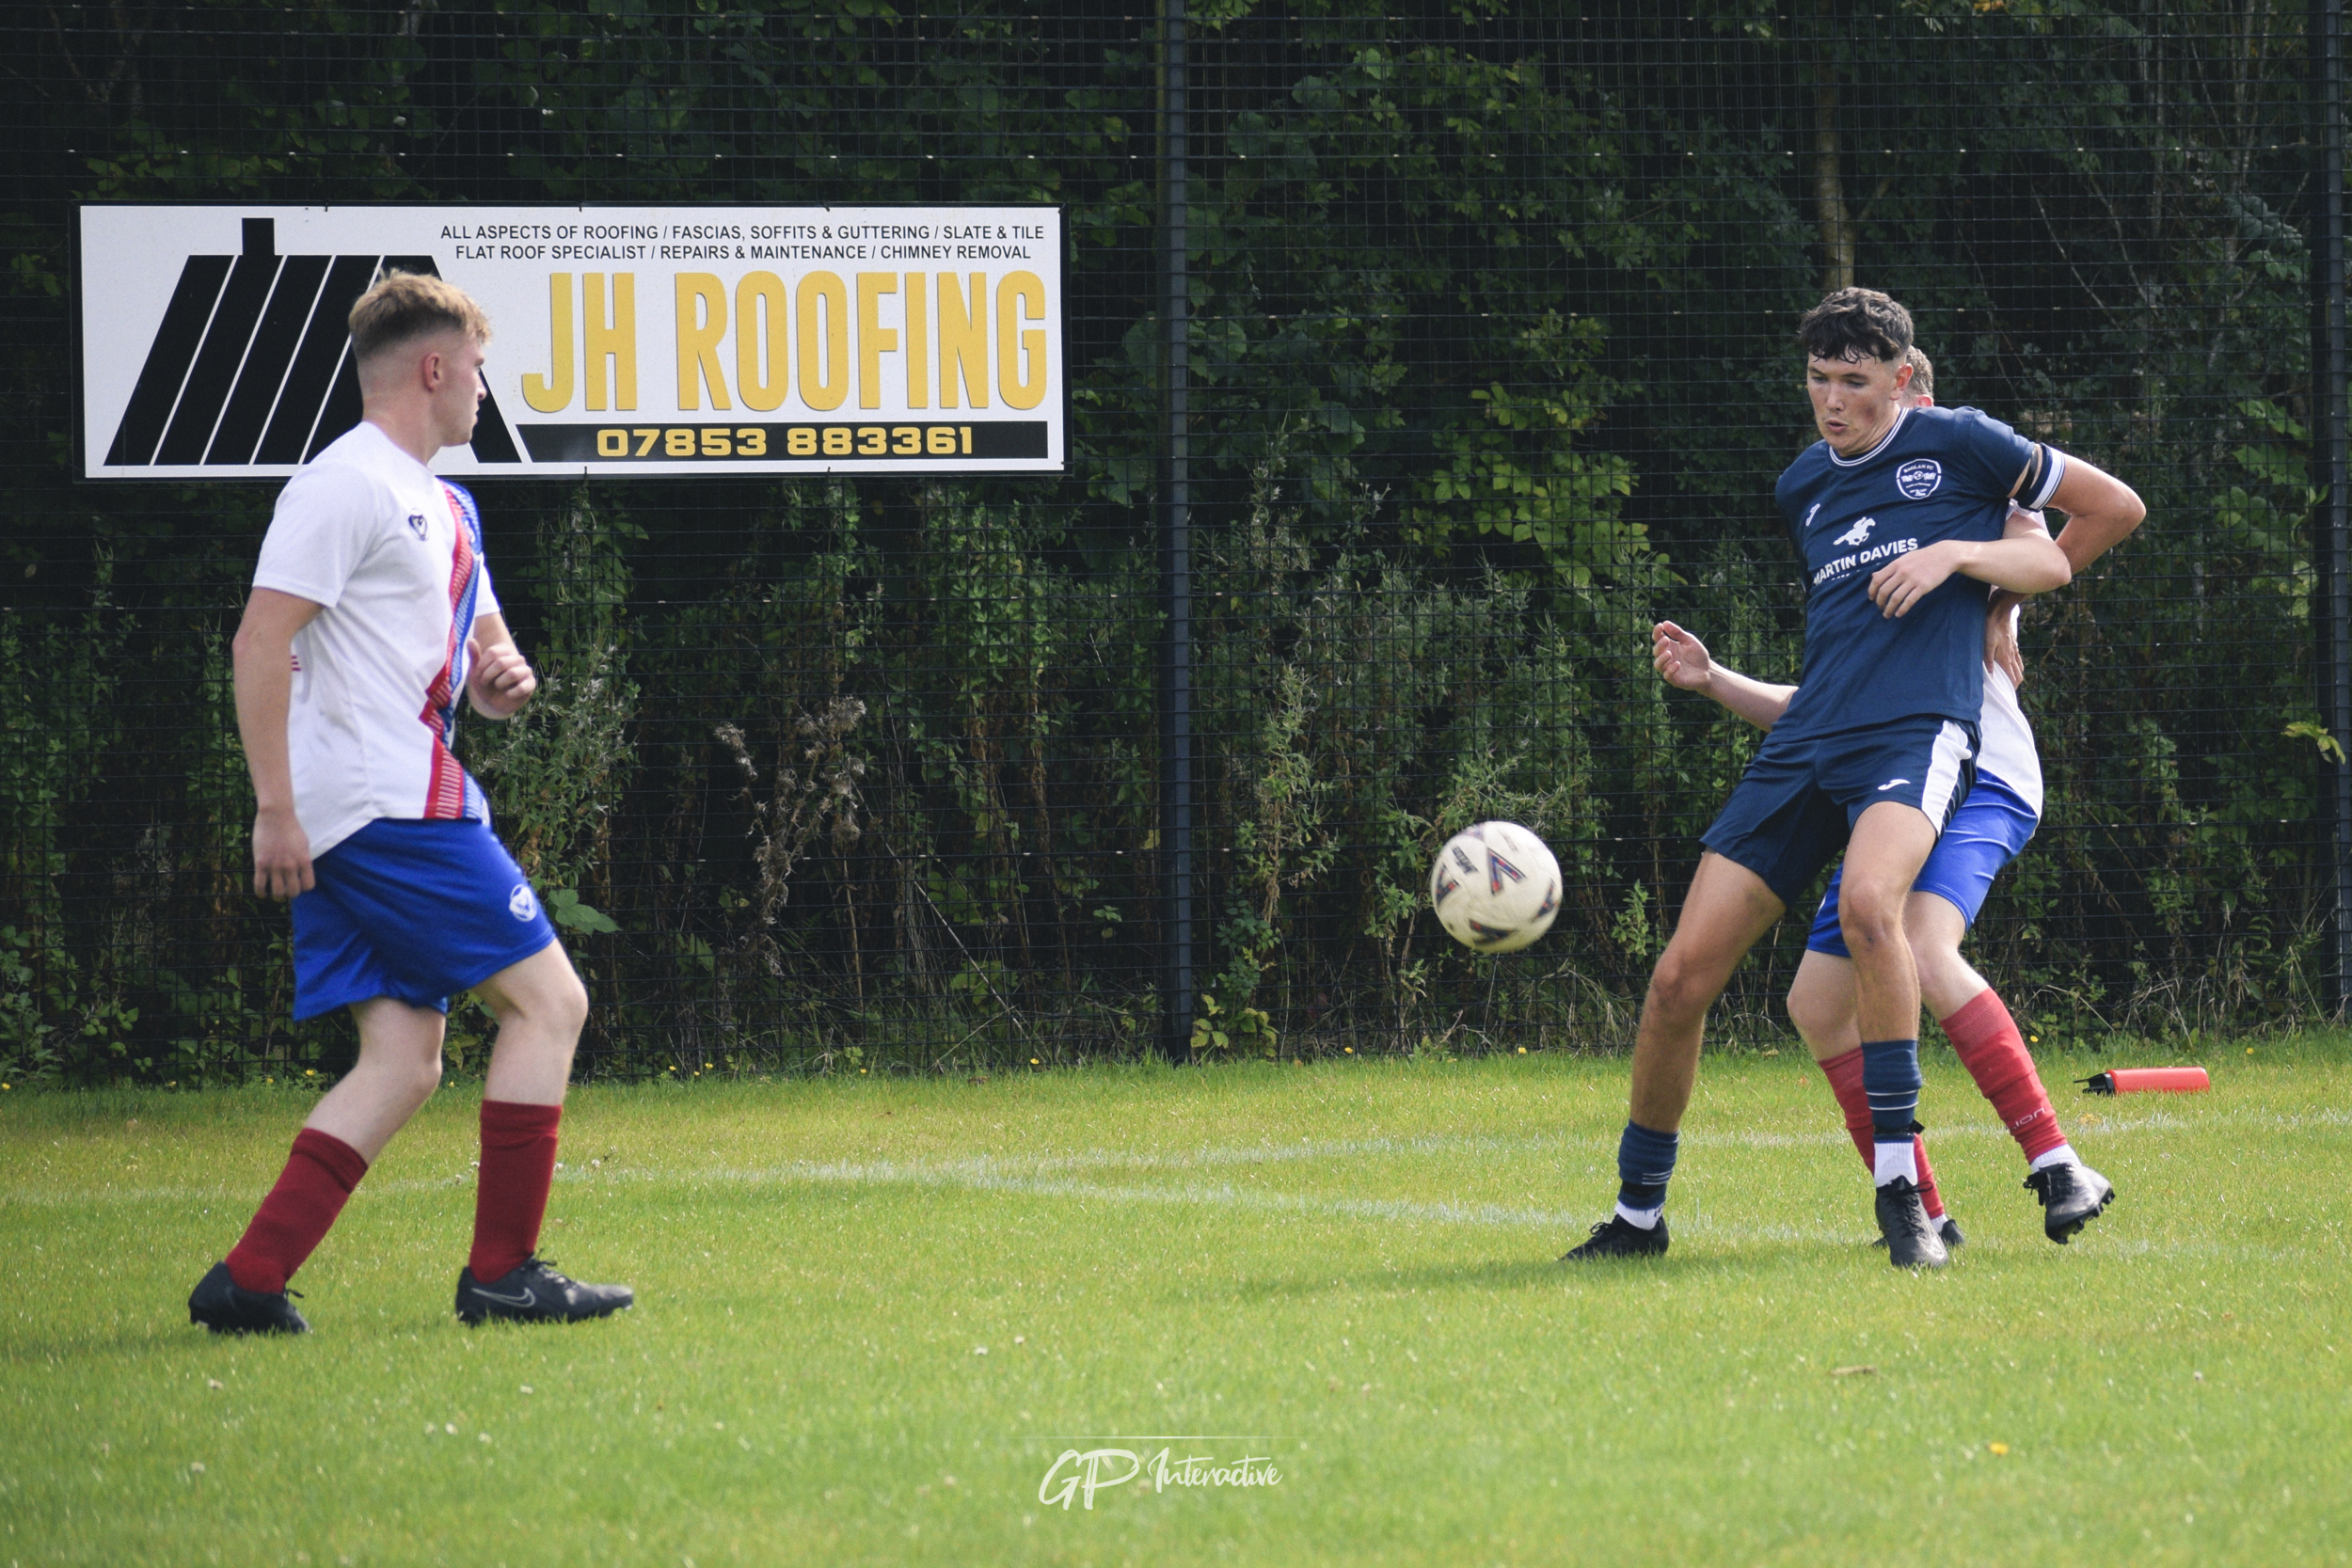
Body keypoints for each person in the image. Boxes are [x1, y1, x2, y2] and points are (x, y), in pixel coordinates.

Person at [1564, 288, 2142, 1268]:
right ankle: (1636, 1214)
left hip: (1920, 739)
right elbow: (1840, 674)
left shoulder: (1962, 447)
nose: (1832, 400)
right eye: (1818, 379)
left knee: (1885, 914)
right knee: (1677, 981)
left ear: (1903, 382)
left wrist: (1974, 575)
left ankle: (1909, 1197)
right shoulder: (1804, 488)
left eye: (1855, 381)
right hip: (1814, 742)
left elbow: (2093, 521)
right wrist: (1714, 682)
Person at [187, 272, 632, 1334]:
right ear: (434, 368)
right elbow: (261, 638)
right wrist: (273, 807)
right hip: (383, 807)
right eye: (477, 369)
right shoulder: (344, 483)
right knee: (551, 1003)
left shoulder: (448, 503)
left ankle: (246, 1280)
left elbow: (480, 651)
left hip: (378, 801)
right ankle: (502, 1272)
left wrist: (500, 678)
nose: (484, 390)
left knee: (402, 1059)